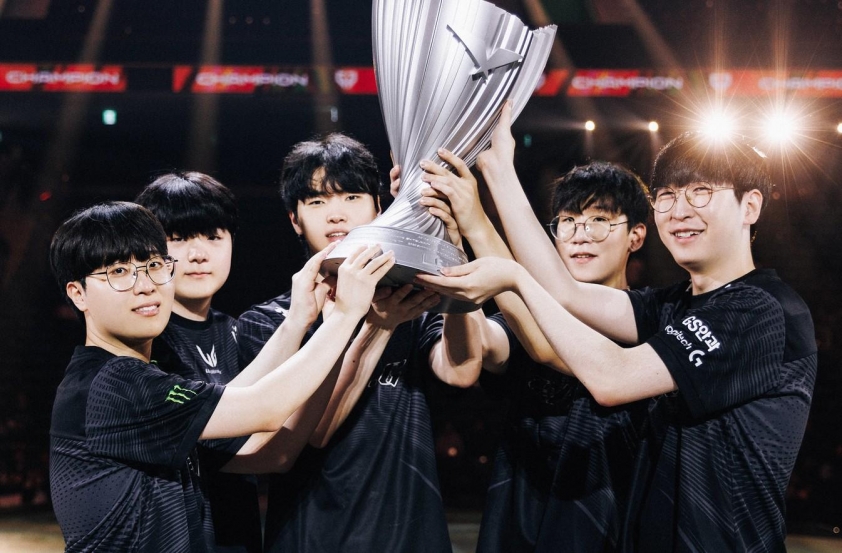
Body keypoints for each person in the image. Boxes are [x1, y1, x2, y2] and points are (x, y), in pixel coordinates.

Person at [418, 108, 817, 552]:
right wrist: (498, 171)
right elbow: (564, 291)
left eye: (701, 192)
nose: (680, 211)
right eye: (666, 196)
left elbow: (613, 378)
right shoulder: (670, 305)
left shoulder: (760, 309)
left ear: (751, 206)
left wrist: (512, 274)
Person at [48, 200, 394, 552]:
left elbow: (236, 397)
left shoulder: (127, 375)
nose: (146, 285)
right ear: (78, 294)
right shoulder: (112, 384)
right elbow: (262, 408)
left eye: (153, 265)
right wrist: (346, 314)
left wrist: (298, 320)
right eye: (119, 272)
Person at [236, 133, 510, 552]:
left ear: (379, 208)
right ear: (294, 219)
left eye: (351, 197)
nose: (336, 215)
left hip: (412, 538)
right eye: (316, 202)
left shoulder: (411, 304)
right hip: (311, 539)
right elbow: (312, 433)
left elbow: (461, 371)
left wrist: (449, 245)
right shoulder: (270, 323)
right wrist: (377, 326)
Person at [417, 152, 650, 551]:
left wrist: (476, 222)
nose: (580, 234)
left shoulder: (652, 321)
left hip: (608, 528)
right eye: (568, 221)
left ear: (636, 236)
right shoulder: (520, 319)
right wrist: (452, 246)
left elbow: (545, 345)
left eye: (599, 220)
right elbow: (480, 345)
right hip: (520, 527)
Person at [135, 172, 260, 553]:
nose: (198, 254)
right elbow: (236, 450)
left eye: (213, 236)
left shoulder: (242, 332)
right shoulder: (143, 343)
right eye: (178, 238)